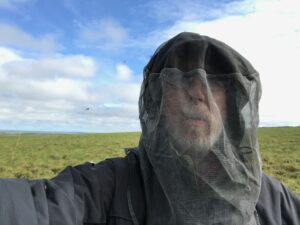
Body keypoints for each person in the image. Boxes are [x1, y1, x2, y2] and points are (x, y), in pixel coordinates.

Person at [0, 32, 299, 225]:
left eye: (215, 82)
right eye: (179, 78)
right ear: (157, 99)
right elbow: (42, 207)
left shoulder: (270, 199)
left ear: (232, 103)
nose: (198, 92)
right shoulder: (111, 187)